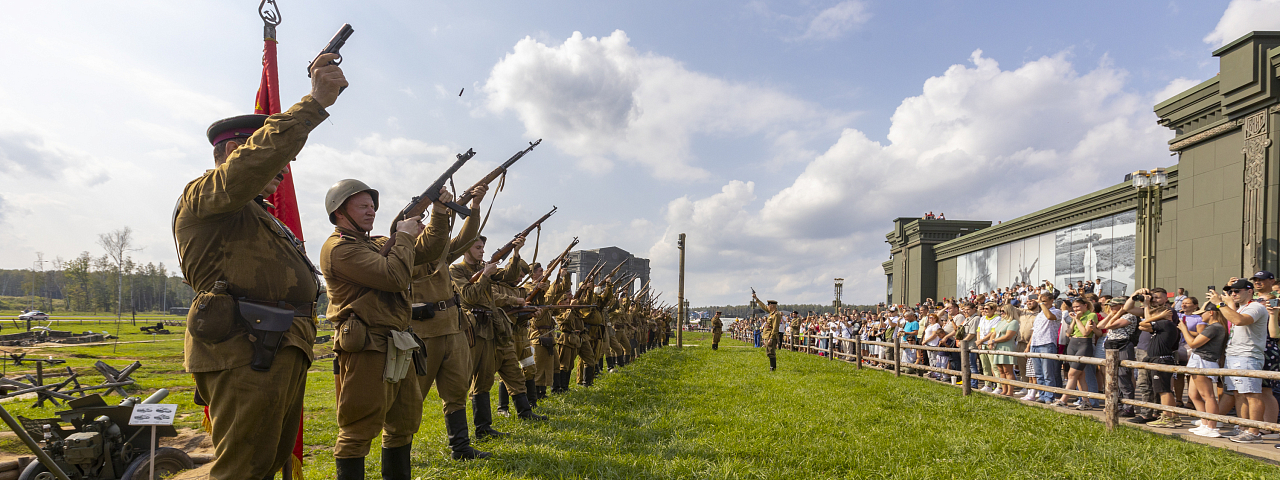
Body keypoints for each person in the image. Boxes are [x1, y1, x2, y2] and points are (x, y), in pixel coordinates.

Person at [174, 54, 344, 479]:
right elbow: (247, 169)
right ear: (236, 152)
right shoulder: (206, 196)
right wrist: (313, 103)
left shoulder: (258, 213)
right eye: (275, 159)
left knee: (265, 464)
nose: (283, 171)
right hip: (245, 350)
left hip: (274, 347)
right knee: (242, 470)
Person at [321, 179, 430, 479]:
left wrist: (442, 214)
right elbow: (394, 277)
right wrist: (403, 237)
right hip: (368, 345)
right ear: (340, 212)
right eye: (363, 206)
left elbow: (430, 251)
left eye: (372, 206)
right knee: (358, 429)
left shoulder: (377, 242)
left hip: (398, 342)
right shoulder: (339, 249)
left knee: (403, 422)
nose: (371, 211)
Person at [405, 184, 489, 461]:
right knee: (412, 396)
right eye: (418, 223)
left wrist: (474, 207)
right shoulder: (404, 254)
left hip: (453, 328)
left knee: (456, 391)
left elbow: (465, 240)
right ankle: (399, 452)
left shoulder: (439, 253)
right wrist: (438, 214)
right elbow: (433, 238)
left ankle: (460, 447)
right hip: (423, 333)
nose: (422, 227)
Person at [1215, 280, 1272, 443]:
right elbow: (1234, 317)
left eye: (1237, 291)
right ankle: (1242, 427)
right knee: (1238, 394)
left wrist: (1220, 304)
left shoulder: (1256, 307)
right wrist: (1226, 304)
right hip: (1234, 355)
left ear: (1250, 291)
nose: (1233, 294)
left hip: (1247, 356)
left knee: (1252, 394)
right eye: (1231, 291)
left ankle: (1254, 432)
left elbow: (1240, 320)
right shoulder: (1241, 308)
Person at [1137, 288, 1182, 428]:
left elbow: (1142, 324)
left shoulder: (1166, 323)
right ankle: (1173, 417)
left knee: (1163, 390)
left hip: (1161, 360)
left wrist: (1159, 316)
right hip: (1161, 359)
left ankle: (1167, 417)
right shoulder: (1164, 326)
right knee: (1164, 389)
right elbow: (1144, 327)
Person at [1180, 303, 1227, 437]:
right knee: (1193, 395)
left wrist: (1184, 329)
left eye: (1202, 313)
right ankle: (1205, 423)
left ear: (1211, 312)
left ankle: (1212, 427)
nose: (1200, 316)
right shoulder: (1214, 327)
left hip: (1204, 362)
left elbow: (1193, 343)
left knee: (1208, 396)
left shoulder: (1215, 327)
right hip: (1198, 360)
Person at [1056, 298, 1098, 410]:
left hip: (1084, 345)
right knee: (1080, 376)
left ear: (1085, 305)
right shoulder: (1075, 317)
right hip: (1073, 344)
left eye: (1078, 306)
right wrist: (1074, 320)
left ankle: (1063, 401)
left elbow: (1085, 333)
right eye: (1074, 307)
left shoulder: (1091, 315)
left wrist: (1078, 319)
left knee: (1072, 374)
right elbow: (1068, 333)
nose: (1075, 309)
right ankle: (1086, 402)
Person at [1027, 292, 1062, 403]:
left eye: (1045, 301)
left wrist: (1041, 304)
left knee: (1048, 374)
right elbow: (1034, 331)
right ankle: (1042, 395)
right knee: (1039, 374)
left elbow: (1050, 317)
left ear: (1052, 301)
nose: (1042, 303)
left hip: (1047, 344)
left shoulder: (1056, 311)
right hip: (1035, 345)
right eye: (1041, 301)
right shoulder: (1039, 314)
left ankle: (1049, 396)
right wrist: (1029, 345)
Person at [990, 312, 1020, 396]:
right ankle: (1004, 390)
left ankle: (1010, 392)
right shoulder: (1000, 322)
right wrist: (991, 341)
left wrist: (993, 341)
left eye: (1004, 311)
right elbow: (994, 333)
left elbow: (1008, 336)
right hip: (998, 347)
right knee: (1001, 370)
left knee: (1008, 370)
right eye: (1001, 311)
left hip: (1007, 347)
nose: (1001, 312)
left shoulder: (1014, 322)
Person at [753, 293, 782, 371]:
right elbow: (763, 307)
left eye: (768, 305)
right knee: (769, 352)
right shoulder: (771, 313)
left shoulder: (776, 315)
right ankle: (772, 367)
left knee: (771, 352)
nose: (767, 306)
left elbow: (775, 328)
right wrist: (756, 299)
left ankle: (772, 368)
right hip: (767, 335)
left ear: (772, 305)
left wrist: (771, 338)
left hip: (771, 336)